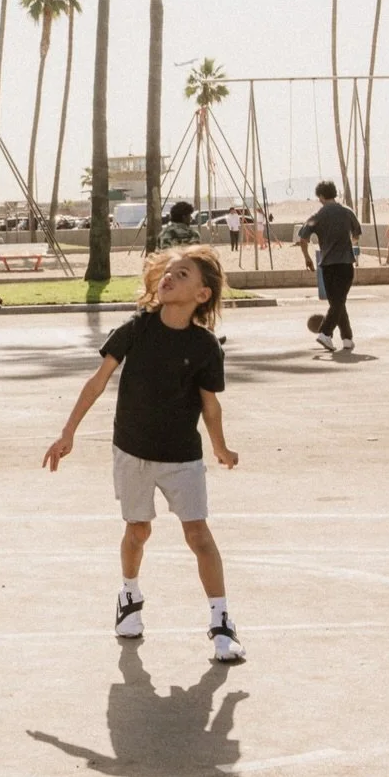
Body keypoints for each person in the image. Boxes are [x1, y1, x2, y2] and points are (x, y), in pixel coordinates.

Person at [43, 247, 243, 663]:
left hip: (182, 457)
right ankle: (129, 596)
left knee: (199, 535)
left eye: (182, 274)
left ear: (202, 295)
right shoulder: (137, 328)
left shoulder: (205, 347)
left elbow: (211, 406)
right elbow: (98, 382)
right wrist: (68, 431)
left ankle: (221, 621)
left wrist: (220, 447)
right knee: (137, 530)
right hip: (132, 450)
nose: (169, 278)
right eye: (167, 272)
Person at [298, 181, 362, 352]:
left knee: (337, 302)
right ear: (335, 193)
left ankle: (347, 338)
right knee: (339, 301)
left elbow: (303, 239)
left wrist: (307, 258)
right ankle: (325, 333)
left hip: (327, 264)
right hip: (345, 263)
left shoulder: (317, 215)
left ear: (320, 196)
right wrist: (347, 241)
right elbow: (356, 235)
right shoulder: (347, 212)